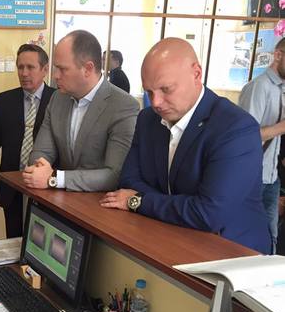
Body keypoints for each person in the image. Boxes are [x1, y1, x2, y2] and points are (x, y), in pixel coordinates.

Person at [100, 38, 271, 254]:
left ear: (197, 74)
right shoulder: (147, 119)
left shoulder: (235, 129)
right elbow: (128, 180)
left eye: (166, 89)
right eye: (149, 92)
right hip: (167, 237)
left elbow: (208, 214)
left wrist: (138, 201)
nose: (156, 102)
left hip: (230, 253)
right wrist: (182, 207)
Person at [23, 30, 139, 192]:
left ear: (88, 69)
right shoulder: (58, 98)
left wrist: (56, 178)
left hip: (96, 203)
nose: (55, 75)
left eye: (62, 69)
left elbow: (114, 175)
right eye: (55, 68)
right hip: (57, 201)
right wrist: (39, 170)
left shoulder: (123, 105)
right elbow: (40, 153)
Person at [0, 44, 56, 237]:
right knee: (13, 237)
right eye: (20, 67)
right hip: (12, 185)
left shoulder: (58, 100)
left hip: (46, 187)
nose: (24, 73)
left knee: (39, 241)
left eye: (30, 67)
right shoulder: (3, 101)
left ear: (45, 69)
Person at [238, 37, 285, 254]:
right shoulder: (259, 87)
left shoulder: (280, 89)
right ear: (278, 55)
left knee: (270, 238)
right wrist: (281, 127)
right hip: (252, 179)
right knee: (247, 241)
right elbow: (243, 139)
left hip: (271, 177)